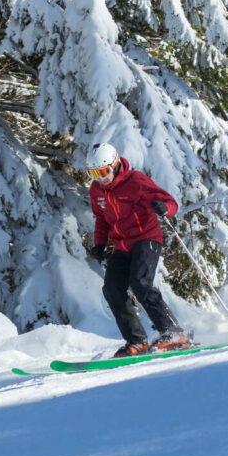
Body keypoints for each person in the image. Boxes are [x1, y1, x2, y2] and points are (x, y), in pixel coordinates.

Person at [85, 143, 189, 357]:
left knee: (140, 283)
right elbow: (102, 219)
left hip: (146, 238)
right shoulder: (97, 190)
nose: (101, 178)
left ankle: (173, 334)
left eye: (104, 172)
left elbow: (169, 202)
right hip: (122, 245)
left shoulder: (135, 181)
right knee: (112, 289)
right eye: (94, 173)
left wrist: (165, 209)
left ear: (114, 166)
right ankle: (136, 341)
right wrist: (99, 243)